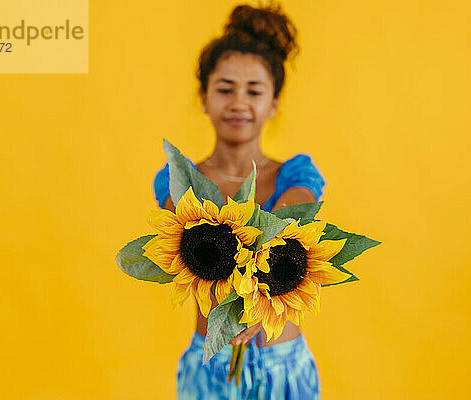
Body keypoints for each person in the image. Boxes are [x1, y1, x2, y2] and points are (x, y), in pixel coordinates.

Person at [153, 2, 326, 398]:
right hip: (209, 367)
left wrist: (259, 287)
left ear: (274, 102)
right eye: (225, 88)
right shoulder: (178, 178)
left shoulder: (295, 176)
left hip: (284, 368)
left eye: (254, 90)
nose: (238, 102)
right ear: (204, 96)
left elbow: (290, 223)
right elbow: (181, 236)